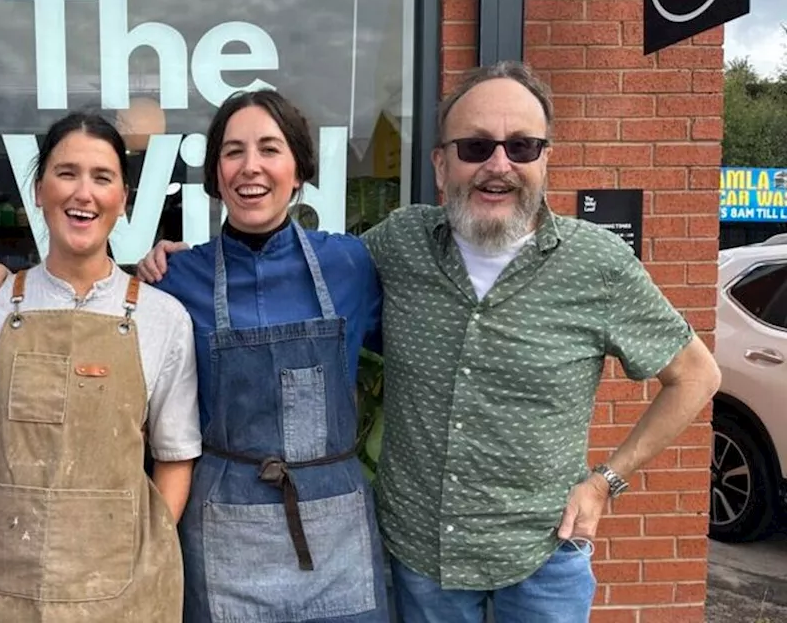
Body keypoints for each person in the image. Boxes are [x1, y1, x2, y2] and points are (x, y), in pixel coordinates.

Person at [141, 61, 721, 622]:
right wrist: (154, 264)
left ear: (299, 168)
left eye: (521, 146)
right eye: (475, 147)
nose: (498, 163)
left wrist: (607, 482)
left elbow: (697, 374)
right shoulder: (190, 279)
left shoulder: (355, 261)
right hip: (401, 551)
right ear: (442, 166)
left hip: (533, 548)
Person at [0, 90, 389, 623]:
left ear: (299, 169)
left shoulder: (351, 264)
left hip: (335, 535)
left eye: (270, 149)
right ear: (214, 175)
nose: (250, 166)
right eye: (233, 151)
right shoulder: (177, 280)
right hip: (222, 531)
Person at [0, 111, 200, 622]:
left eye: (102, 178)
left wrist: (146, 552)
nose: (84, 193)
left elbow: (175, 456)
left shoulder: (162, 318)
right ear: (39, 190)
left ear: (123, 200)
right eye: (66, 173)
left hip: (119, 591)